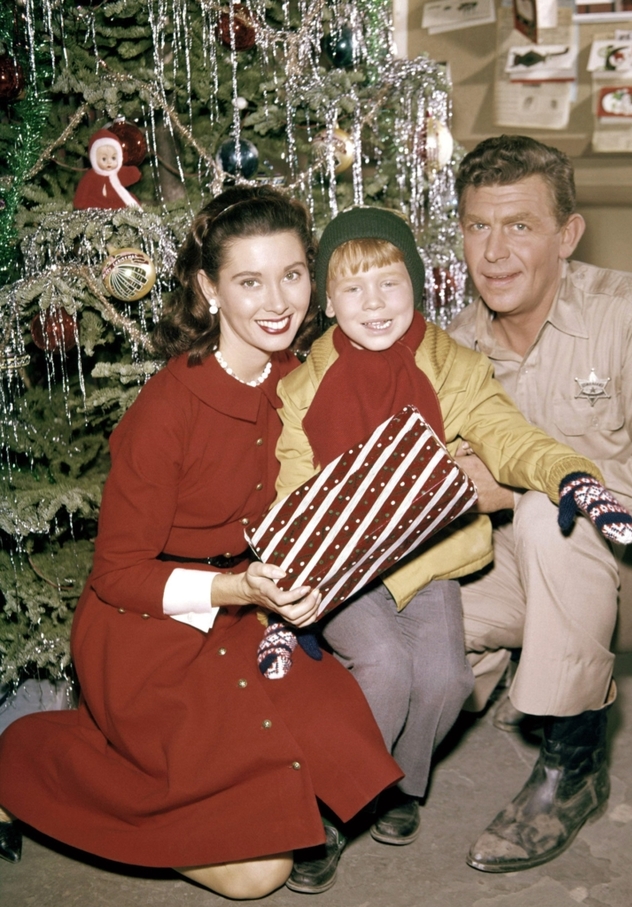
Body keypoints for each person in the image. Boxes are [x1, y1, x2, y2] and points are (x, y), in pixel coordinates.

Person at [0, 186, 402, 899]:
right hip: (148, 629)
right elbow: (118, 575)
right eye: (248, 281)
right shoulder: (167, 411)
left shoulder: (303, 378)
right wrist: (236, 588)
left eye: (291, 274)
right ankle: (23, 756)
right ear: (208, 288)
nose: (276, 301)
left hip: (251, 617)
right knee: (257, 875)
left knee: (326, 744)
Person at [272, 205, 632, 892]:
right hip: (344, 570)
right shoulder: (303, 385)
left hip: (428, 559)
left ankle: (404, 785)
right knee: (383, 666)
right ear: (328, 299)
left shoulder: (455, 366)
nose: (373, 304)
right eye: (353, 289)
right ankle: (325, 808)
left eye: (390, 284)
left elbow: (507, 435)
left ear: (417, 284)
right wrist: (290, 574)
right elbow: (292, 490)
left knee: (444, 678)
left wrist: (569, 473)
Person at [447, 135, 632, 873]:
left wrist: (532, 480)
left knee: (552, 514)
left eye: (520, 226)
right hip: (522, 562)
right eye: (478, 226)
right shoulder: (456, 344)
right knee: (420, 607)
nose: (495, 252)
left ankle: (573, 769)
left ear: (568, 234)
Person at [72, 127, 141, 210]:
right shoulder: (91, 176)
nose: (109, 162)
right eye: (104, 159)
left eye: (113, 158)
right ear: (94, 159)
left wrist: (134, 173)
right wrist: (79, 202)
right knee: (90, 204)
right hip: (97, 203)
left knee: (130, 200)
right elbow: (83, 190)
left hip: (115, 201)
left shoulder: (118, 173)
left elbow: (130, 175)